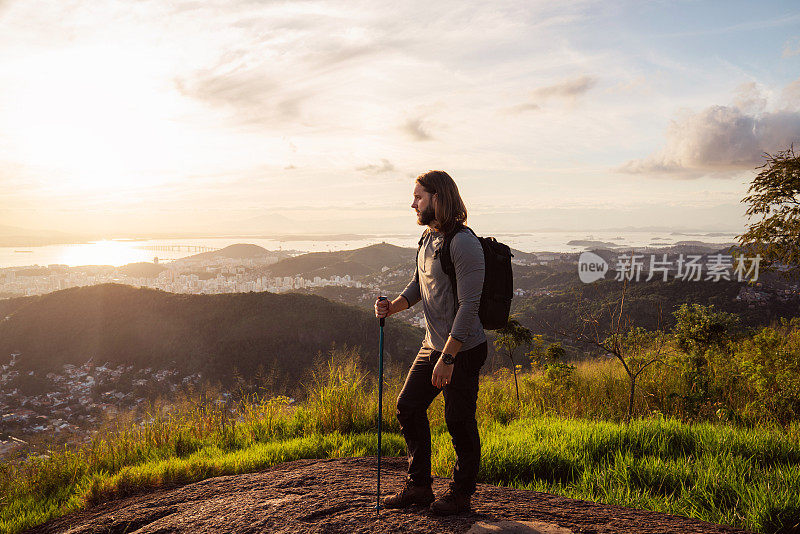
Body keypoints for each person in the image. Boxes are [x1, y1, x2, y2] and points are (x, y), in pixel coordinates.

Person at [374, 170, 486, 516]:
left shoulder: (464, 243)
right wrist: (393, 306)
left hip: (462, 349)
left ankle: (460, 494)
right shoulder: (427, 239)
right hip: (432, 345)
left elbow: (470, 305)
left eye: (418, 197)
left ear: (438, 198)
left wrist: (449, 357)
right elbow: (418, 285)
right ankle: (419, 487)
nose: (413, 203)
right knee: (408, 406)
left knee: (458, 421)